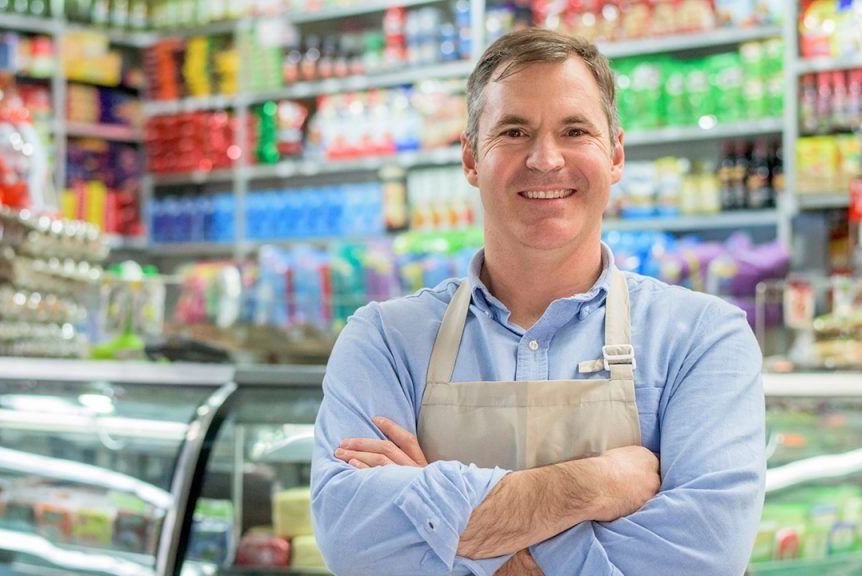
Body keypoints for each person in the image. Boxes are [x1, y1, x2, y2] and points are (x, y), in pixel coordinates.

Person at [310, 27, 765, 576]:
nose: (545, 160)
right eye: (514, 131)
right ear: (471, 159)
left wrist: (443, 517)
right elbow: (352, 541)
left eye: (575, 130)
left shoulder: (703, 338)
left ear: (615, 155)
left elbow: (704, 556)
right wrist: (594, 486)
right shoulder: (382, 340)